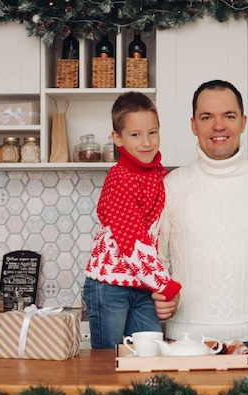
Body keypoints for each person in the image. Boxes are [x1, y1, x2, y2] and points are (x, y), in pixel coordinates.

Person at [152, 80, 248, 348]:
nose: (218, 126)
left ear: (243, 122)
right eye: (206, 117)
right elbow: (157, 256)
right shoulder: (171, 185)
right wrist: (162, 292)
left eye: (229, 116)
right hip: (187, 339)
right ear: (193, 125)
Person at [83, 92, 182, 349]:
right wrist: (165, 284)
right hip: (109, 285)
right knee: (109, 361)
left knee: (149, 355)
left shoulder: (160, 176)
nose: (147, 142)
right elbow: (133, 240)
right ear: (118, 138)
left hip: (142, 285)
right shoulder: (120, 178)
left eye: (153, 132)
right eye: (135, 134)